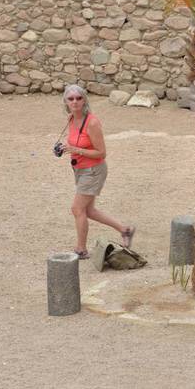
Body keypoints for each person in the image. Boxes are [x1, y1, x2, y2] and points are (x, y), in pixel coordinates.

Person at [59, 84, 135, 259]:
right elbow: (75, 143)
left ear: (84, 100)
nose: (75, 102)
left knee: (77, 209)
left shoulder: (92, 122)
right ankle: (125, 230)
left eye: (79, 98)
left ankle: (81, 249)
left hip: (93, 170)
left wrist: (75, 149)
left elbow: (101, 153)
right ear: (65, 102)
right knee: (89, 211)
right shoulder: (71, 119)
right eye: (71, 99)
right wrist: (65, 148)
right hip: (79, 169)